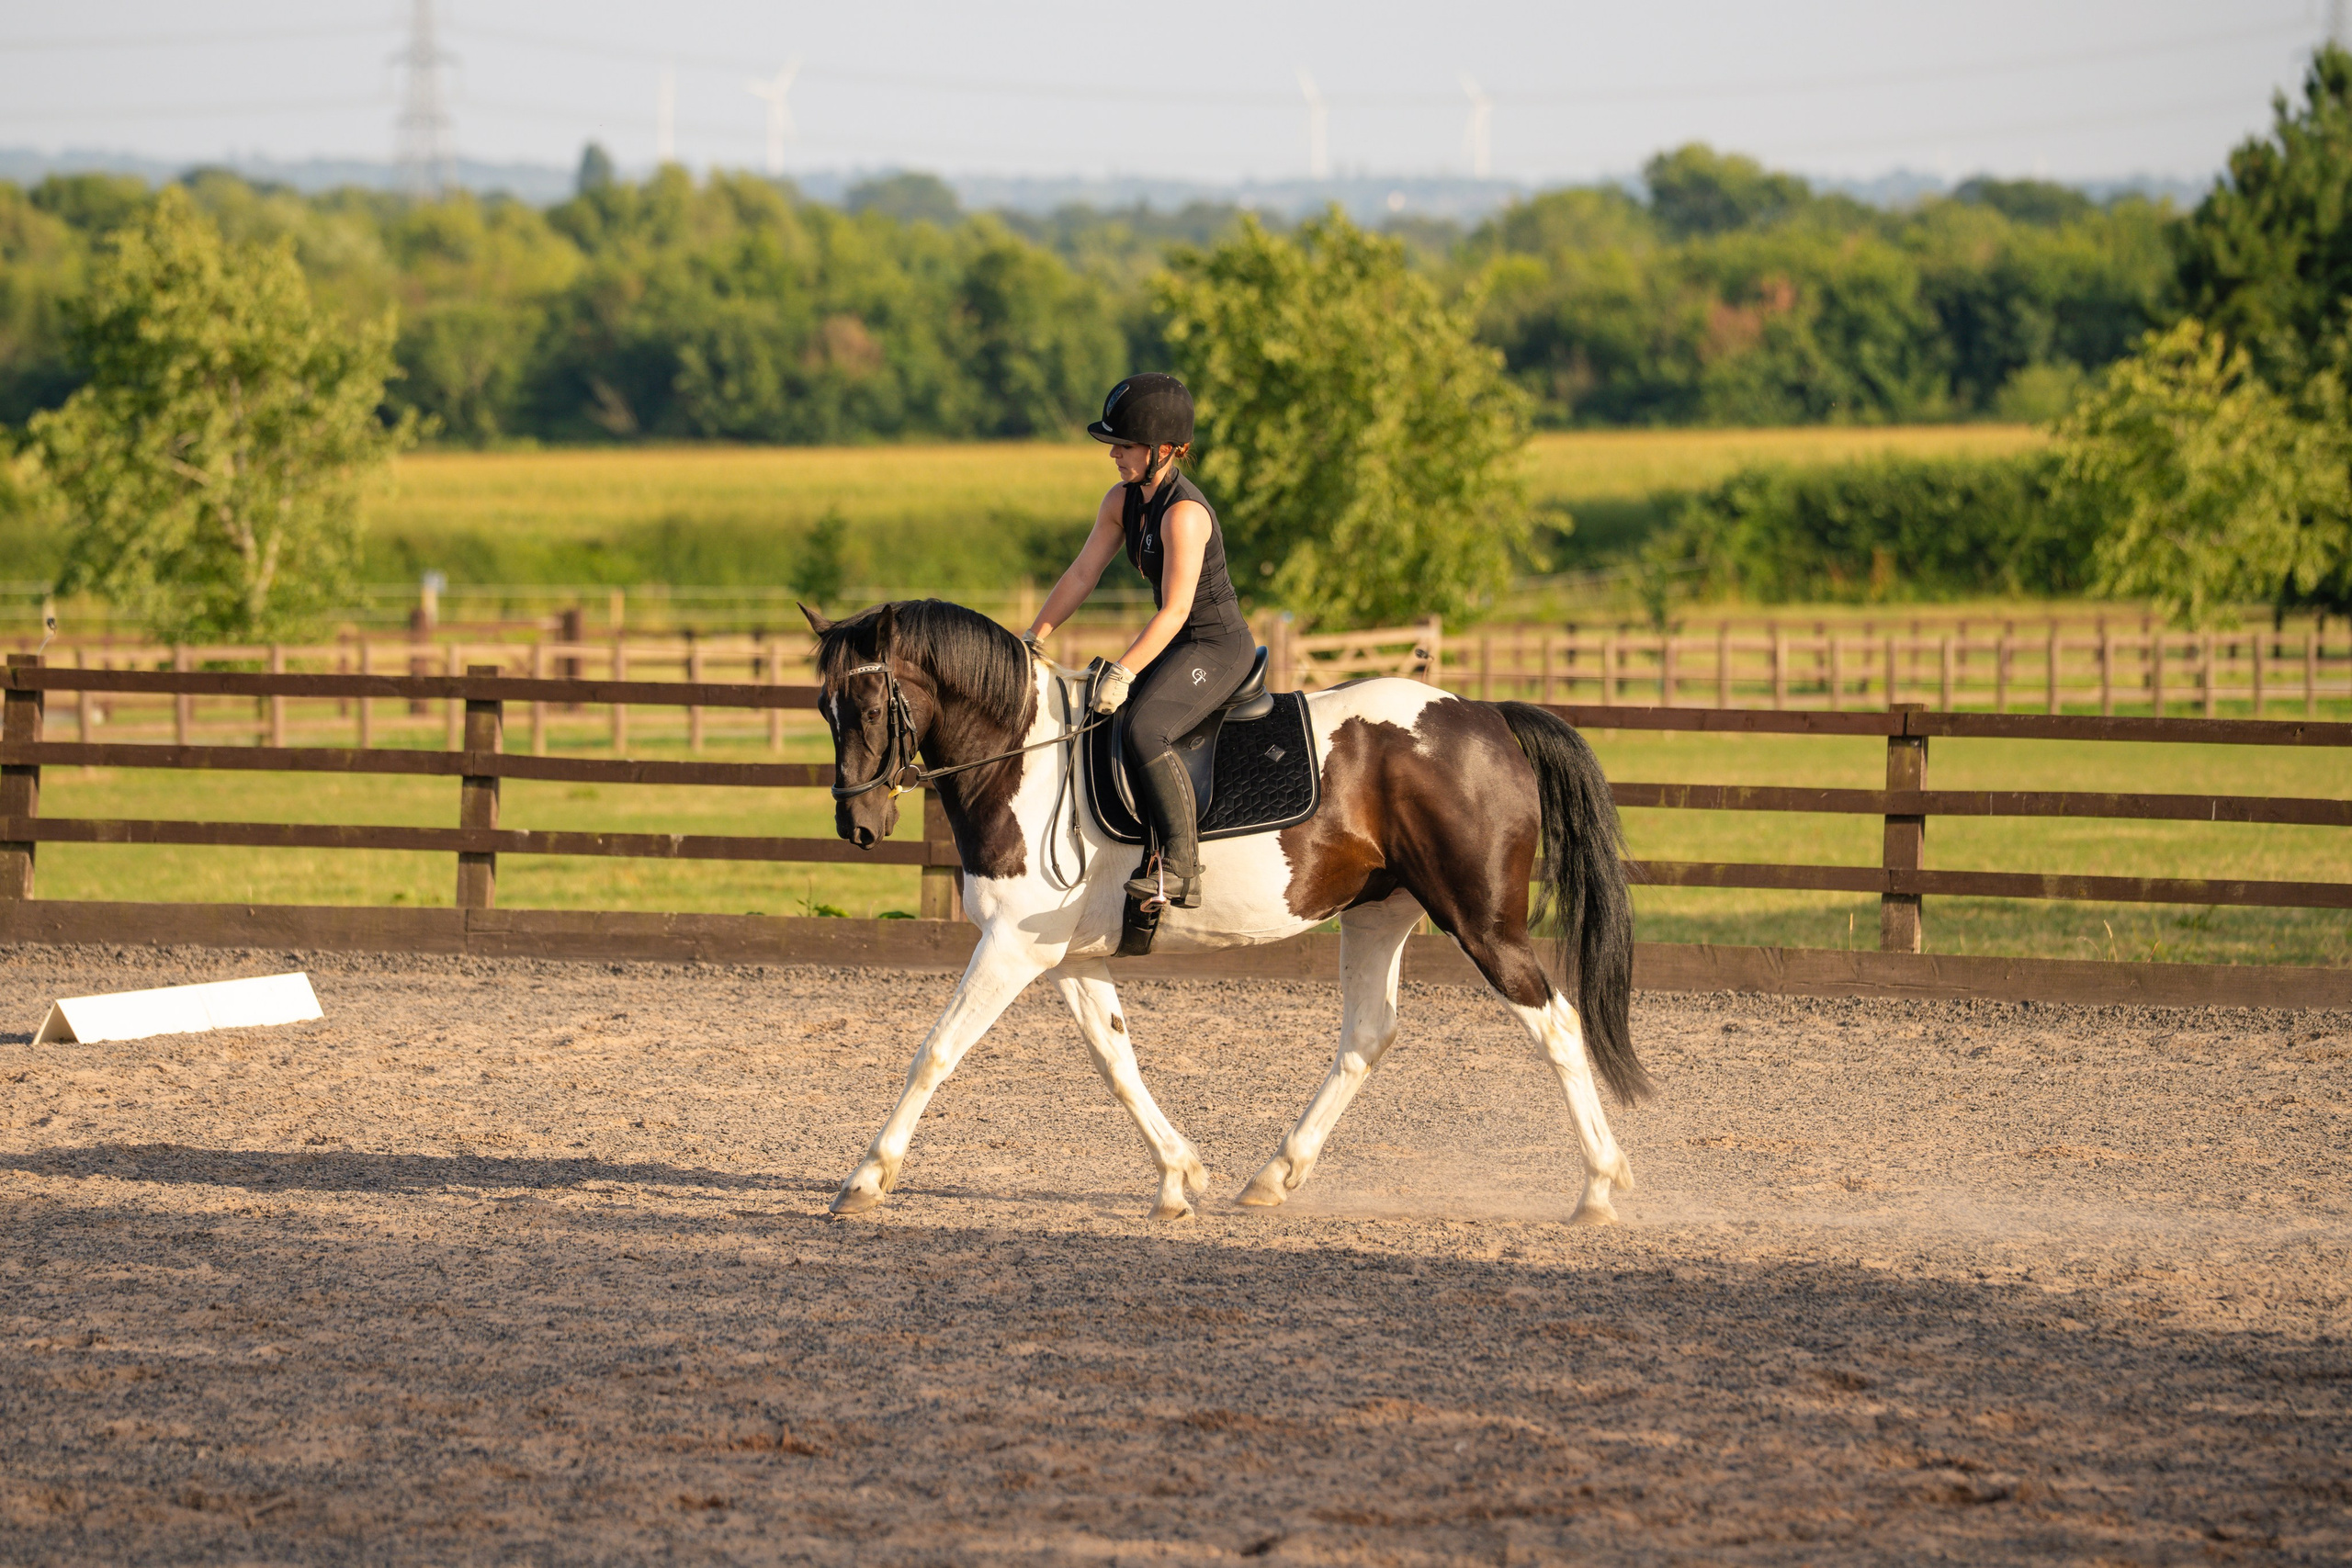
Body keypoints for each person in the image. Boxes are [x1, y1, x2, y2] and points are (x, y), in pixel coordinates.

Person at [1023, 373, 1254, 909]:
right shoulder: (1120, 501)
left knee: (1147, 728)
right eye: (1114, 444)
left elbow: (1176, 610)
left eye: (1125, 445)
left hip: (1216, 647)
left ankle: (1182, 869)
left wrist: (1123, 671)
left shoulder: (1185, 514)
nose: (1115, 455)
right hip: (1178, 643)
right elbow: (1082, 573)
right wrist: (1034, 637)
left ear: (1167, 450)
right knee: (1099, 715)